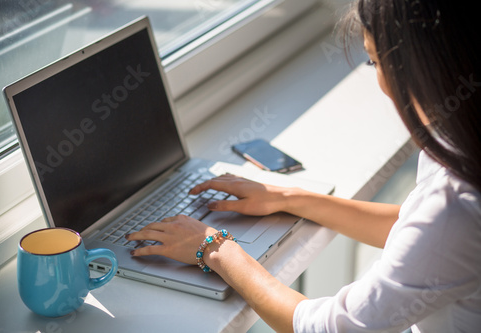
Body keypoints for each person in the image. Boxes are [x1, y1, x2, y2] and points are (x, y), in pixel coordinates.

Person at [125, 0, 481, 331]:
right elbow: (416, 231)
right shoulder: (459, 141)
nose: (382, 85)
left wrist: (215, 248)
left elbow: (327, 326)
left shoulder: (457, 202)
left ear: (422, 65)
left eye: (374, 61)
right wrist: (291, 197)